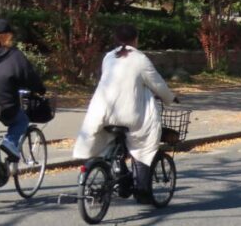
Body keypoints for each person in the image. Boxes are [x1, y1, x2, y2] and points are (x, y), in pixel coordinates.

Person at [73, 25, 176, 204]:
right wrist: (171, 98)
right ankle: (142, 191)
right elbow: (157, 83)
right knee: (142, 147)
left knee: (111, 144)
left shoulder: (108, 57)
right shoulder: (140, 59)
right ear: (136, 40)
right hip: (130, 114)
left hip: (102, 111)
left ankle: (118, 173)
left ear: (116, 39)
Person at [0, 19, 46, 161]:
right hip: (5, 105)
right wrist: (40, 90)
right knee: (21, 121)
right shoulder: (14, 55)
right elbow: (30, 76)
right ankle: (10, 142)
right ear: (8, 36)